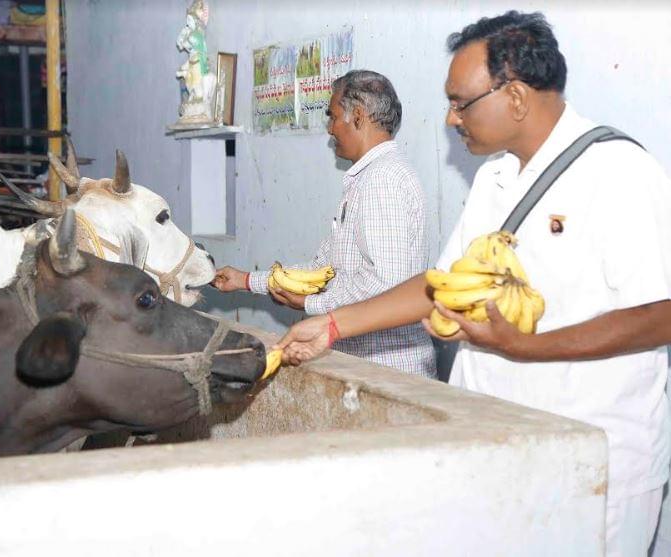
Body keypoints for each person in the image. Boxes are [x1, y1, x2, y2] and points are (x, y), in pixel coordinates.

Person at [275, 11, 671, 556]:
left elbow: (660, 313)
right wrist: (334, 324)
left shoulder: (619, 173)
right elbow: (440, 283)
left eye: (461, 103)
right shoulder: (495, 179)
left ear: (514, 97)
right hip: (500, 447)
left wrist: (526, 347)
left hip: (595, 462)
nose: (450, 119)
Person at [213, 70, 435, 377]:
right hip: (365, 361)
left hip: (388, 366)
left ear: (357, 116)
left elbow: (387, 283)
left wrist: (312, 304)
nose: (330, 129)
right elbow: (323, 268)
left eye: (332, 117)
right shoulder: (367, 179)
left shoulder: (383, 180)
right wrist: (245, 280)